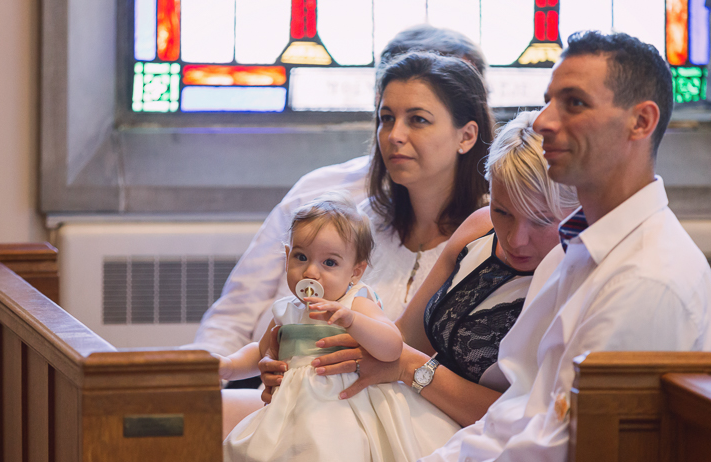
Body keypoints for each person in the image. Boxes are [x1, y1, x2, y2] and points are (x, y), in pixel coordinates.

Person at [224, 31, 711, 462]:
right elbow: (510, 420)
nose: (544, 121)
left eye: (573, 104)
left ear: (640, 122)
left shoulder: (646, 277)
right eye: (549, 100)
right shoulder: (576, 252)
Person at [183, 26, 489, 436]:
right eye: (386, 118)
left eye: (418, 118)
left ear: (467, 132)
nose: (395, 136)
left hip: (403, 417)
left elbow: (406, 350)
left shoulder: (493, 232)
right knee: (174, 420)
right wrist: (249, 365)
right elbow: (241, 309)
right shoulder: (350, 217)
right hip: (299, 400)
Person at [261, 110, 580, 430]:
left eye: (540, 220)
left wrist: (410, 367)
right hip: (408, 405)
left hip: (478, 435)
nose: (515, 238)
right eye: (502, 211)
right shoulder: (479, 228)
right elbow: (404, 336)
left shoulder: (578, 276)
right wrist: (300, 357)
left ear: (578, 206)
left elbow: (534, 418)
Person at [222, 194, 460, 462]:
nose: (311, 272)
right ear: (287, 257)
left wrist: (352, 321)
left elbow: (392, 346)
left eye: (329, 263)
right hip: (292, 412)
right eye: (301, 257)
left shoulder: (355, 303)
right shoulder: (286, 311)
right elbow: (263, 350)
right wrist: (228, 366)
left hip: (342, 409)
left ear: (355, 272)